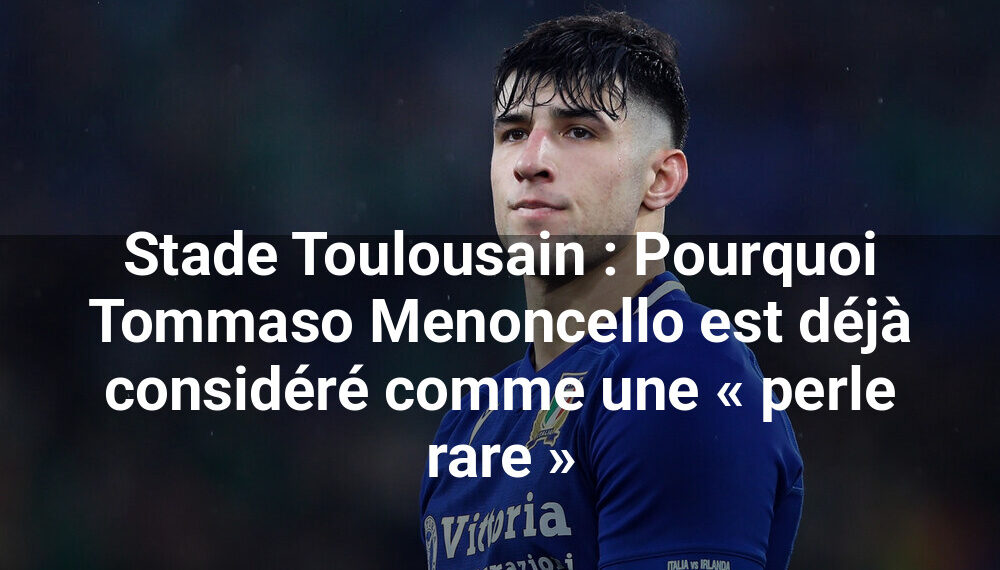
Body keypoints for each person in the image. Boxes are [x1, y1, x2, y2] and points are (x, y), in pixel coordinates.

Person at [420, 12, 803, 570]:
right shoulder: (469, 422)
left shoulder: (682, 373)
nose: (530, 162)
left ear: (661, 179)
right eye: (513, 133)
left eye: (579, 131)